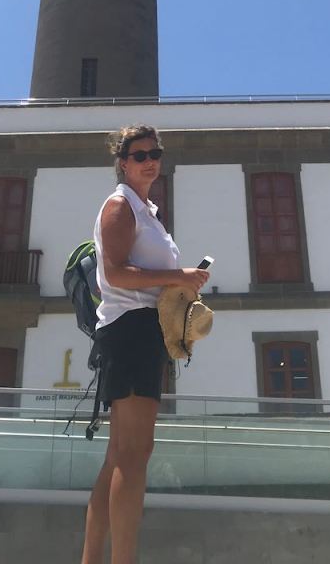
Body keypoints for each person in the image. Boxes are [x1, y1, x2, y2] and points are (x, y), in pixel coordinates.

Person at [81, 124, 210, 564]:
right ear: (123, 163)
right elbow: (115, 273)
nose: (150, 161)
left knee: (121, 455)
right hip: (132, 330)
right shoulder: (121, 206)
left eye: (155, 153)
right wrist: (178, 276)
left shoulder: (145, 211)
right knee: (135, 455)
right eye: (139, 155)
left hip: (138, 330)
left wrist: (179, 284)